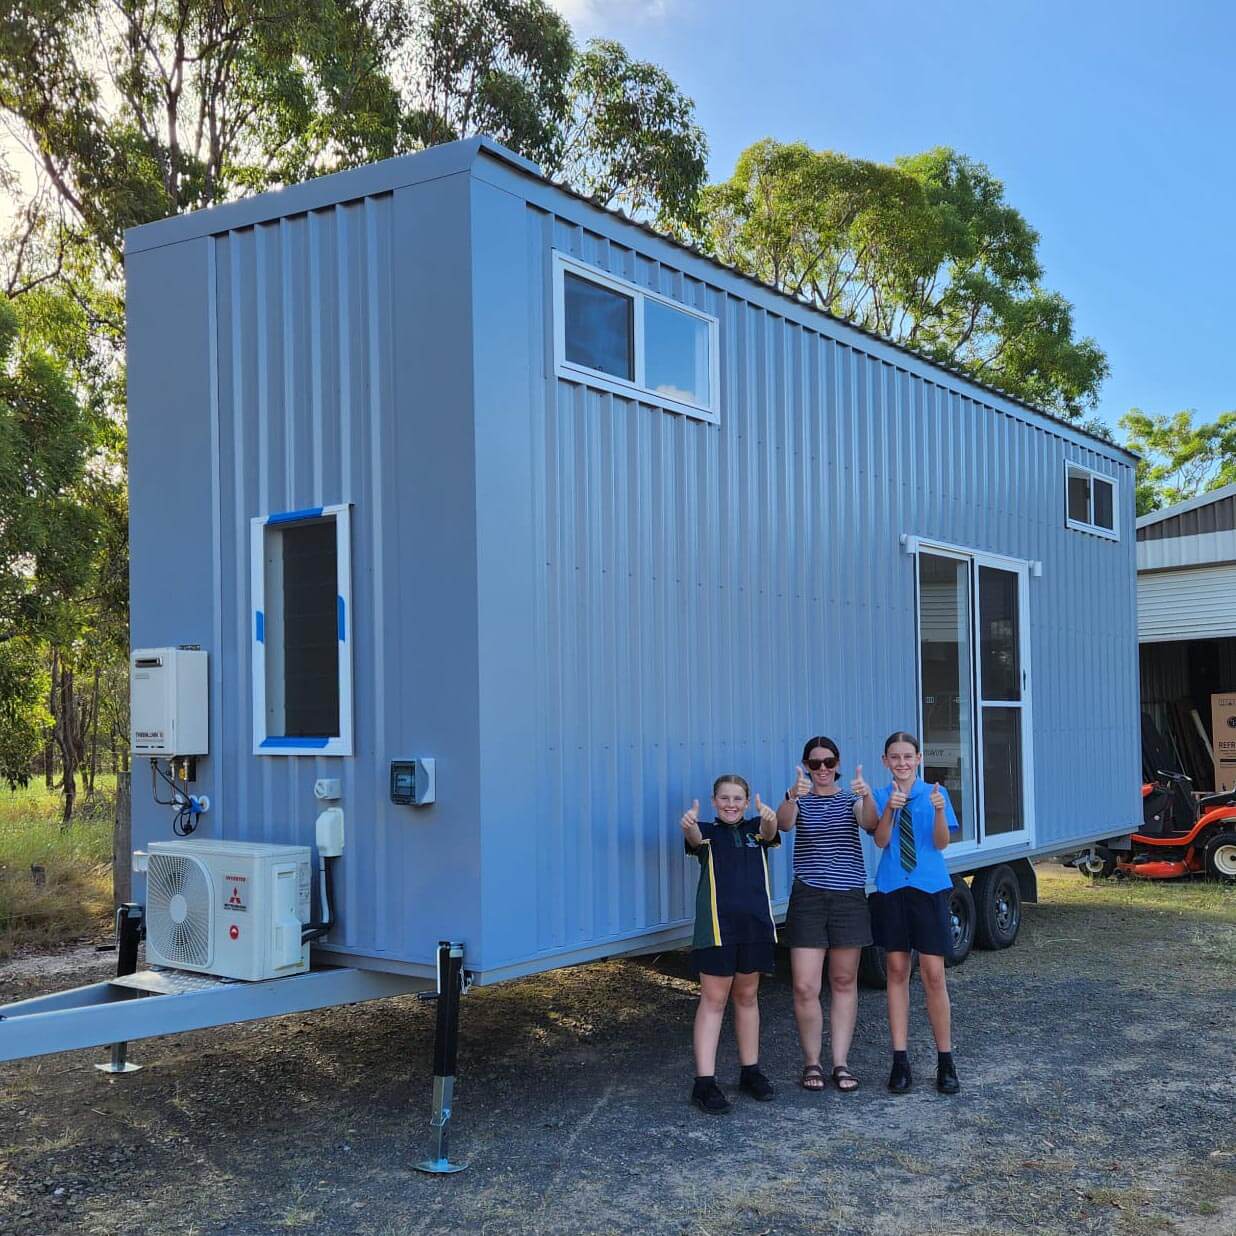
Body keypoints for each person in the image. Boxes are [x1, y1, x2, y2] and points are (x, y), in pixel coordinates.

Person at [775, 736, 878, 1093]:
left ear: (838, 763)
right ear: (806, 765)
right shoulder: (798, 798)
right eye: (815, 763)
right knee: (805, 985)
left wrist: (866, 794)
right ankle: (811, 1062)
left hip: (848, 897)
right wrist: (791, 794)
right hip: (808, 898)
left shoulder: (852, 799)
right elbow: (783, 826)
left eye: (828, 762)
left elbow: (869, 824)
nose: (822, 769)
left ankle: (840, 1063)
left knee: (844, 981)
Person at [680, 774, 781, 1114]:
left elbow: (770, 834)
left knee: (748, 997)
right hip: (717, 931)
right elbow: (693, 840)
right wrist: (689, 825)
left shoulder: (756, 829)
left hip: (755, 928)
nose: (731, 804)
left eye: (737, 798)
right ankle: (704, 1083)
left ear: (747, 801)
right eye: (724, 798)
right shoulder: (707, 832)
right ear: (714, 802)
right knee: (713, 1001)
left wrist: (770, 819)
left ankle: (749, 1072)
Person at [870, 731, 961, 1095]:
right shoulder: (880, 796)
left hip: (928, 887)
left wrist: (939, 811)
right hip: (893, 887)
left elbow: (941, 843)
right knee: (896, 970)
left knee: (933, 973)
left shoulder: (935, 794)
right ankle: (900, 1059)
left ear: (919, 759)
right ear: (885, 761)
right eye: (895, 757)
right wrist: (890, 808)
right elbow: (880, 841)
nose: (902, 763)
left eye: (908, 756)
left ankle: (946, 1059)